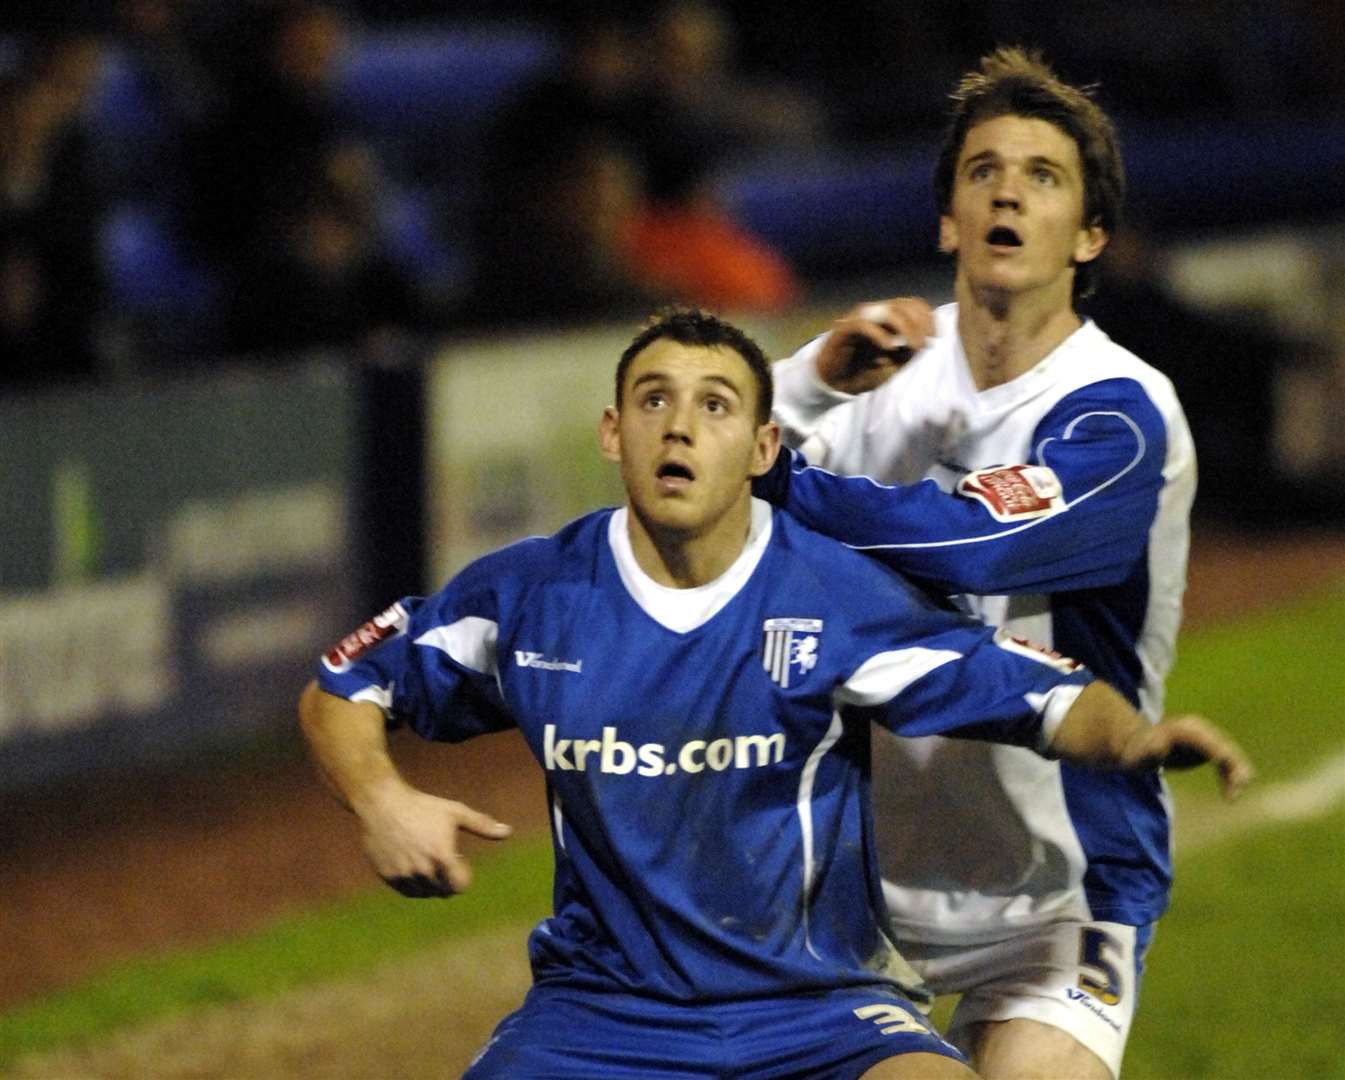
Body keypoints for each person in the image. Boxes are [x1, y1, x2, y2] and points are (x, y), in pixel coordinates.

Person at [300, 308, 1251, 1079]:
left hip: (817, 1014)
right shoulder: (532, 595)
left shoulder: (831, 594)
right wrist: (381, 798)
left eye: (714, 407)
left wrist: (1132, 738)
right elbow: (345, 681)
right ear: (611, 431)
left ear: (762, 448)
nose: (678, 425)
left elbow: (1034, 691)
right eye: (652, 400)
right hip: (599, 1019)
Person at [754, 46, 1199, 1079]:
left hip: (1059, 886)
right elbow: (689, 479)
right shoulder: (873, 367)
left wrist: (790, 481)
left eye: (1042, 175)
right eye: (983, 170)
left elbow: (978, 535)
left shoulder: (1119, 414)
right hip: (857, 882)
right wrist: (810, 384)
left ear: (1089, 235)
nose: (1008, 189)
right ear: (948, 219)